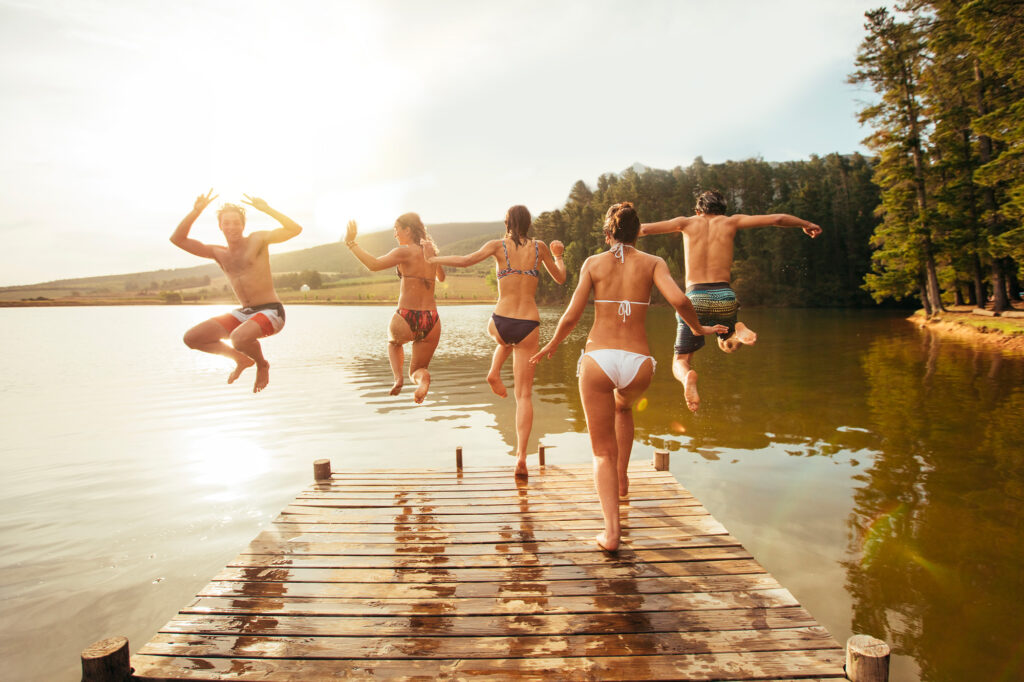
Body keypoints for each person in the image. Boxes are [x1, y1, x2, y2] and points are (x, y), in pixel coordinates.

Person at [531, 202, 726, 552]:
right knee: (623, 409)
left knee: (601, 452)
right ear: (638, 232)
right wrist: (700, 328)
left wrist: (552, 345)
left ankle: (611, 533)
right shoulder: (653, 263)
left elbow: (573, 315)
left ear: (608, 234)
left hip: (598, 360)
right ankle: (622, 480)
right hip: (638, 364)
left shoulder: (593, 263)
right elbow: (680, 300)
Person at [639, 189, 821, 412]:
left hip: (694, 298)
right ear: (723, 210)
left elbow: (644, 229)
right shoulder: (731, 222)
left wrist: (615, 235)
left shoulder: (685, 223)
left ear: (698, 210)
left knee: (681, 359)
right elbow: (778, 219)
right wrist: (806, 223)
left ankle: (687, 378)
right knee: (727, 345)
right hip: (724, 296)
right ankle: (736, 329)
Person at [428, 205, 566, 478]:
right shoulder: (540, 247)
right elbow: (561, 278)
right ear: (529, 223)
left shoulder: (497, 246)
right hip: (529, 324)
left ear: (506, 223)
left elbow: (467, 260)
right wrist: (560, 256)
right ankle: (521, 458)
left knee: (500, 337)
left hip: (501, 321)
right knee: (524, 396)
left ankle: (493, 371)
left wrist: (434, 260)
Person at [171, 189, 302, 393]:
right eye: (227, 222)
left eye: (236, 222)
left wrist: (267, 209)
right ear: (220, 226)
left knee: (238, 338)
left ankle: (261, 364)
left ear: (243, 225)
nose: (232, 226)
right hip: (245, 313)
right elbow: (178, 239)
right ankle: (240, 359)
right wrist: (196, 211)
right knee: (192, 338)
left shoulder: (257, 240)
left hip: (271, 311)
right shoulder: (218, 252)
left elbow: (295, 229)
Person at [345, 214, 445, 404]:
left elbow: (374, 265)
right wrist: (433, 257)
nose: (395, 234)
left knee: (394, 343)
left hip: (407, 315)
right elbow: (441, 277)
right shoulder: (430, 252)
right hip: (432, 319)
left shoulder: (404, 252)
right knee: (417, 370)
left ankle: (397, 378)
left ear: (408, 230)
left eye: (396, 229)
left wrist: (351, 243)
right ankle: (422, 381)